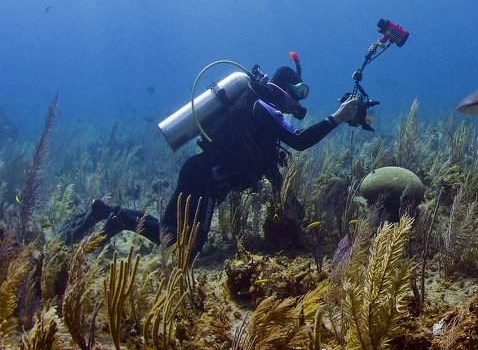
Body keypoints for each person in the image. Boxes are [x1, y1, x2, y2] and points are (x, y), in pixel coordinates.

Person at [61, 59, 362, 259]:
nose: (299, 99)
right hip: (206, 179)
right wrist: (336, 118)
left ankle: (112, 214)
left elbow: (273, 169)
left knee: (169, 236)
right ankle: (118, 220)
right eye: (298, 91)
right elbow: (300, 140)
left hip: (198, 171)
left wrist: (291, 205)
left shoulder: (260, 121)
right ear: (284, 88)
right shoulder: (262, 107)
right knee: (187, 250)